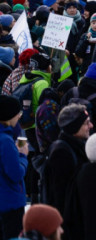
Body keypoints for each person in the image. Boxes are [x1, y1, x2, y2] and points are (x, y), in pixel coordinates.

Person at [44, 104, 92, 216]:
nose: (91, 125)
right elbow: (59, 195)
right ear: (74, 127)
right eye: (86, 123)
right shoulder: (61, 153)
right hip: (67, 223)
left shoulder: (76, 146)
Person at [0, 96, 27, 240]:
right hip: (10, 203)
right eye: (19, 113)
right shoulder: (5, 141)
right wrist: (22, 156)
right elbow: (15, 174)